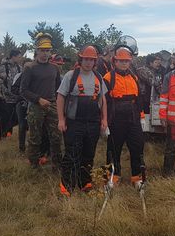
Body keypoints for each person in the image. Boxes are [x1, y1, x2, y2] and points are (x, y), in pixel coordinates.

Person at [57, 46, 108, 196]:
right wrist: (61, 119)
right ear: (81, 59)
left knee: (89, 153)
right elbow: (60, 97)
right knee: (72, 153)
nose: (88, 62)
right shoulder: (70, 76)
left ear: (95, 61)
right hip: (74, 122)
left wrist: (104, 119)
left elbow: (103, 100)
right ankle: (66, 185)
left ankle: (84, 182)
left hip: (93, 122)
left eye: (91, 60)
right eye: (86, 59)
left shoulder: (98, 77)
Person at [102, 47, 145, 185]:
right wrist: (105, 121)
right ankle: (113, 175)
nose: (124, 63)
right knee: (114, 148)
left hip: (133, 117)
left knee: (137, 146)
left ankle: (137, 176)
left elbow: (139, 99)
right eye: (121, 61)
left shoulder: (134, 77)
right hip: (116, 118)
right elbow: (104, 102)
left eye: (126, 61)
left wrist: (141, 116)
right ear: (115, 61)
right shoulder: (108, 78)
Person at [20, 33, 62, 169]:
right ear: (37, 51)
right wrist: (38, 99)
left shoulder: (55, 68)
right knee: (35, 137)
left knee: (56, 137)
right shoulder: (29, 67)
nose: (45, 53)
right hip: (36, 107)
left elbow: (59, 89)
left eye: (47, 50)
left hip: (52, 106)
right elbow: (23, 90)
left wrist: (58, 104)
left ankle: (57, 165)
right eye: (42, 50)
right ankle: (33, 164)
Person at [0, 49, 23, 139]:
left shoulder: (20, 68)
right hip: (6, 98)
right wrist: (6, 92)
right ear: (13, 56)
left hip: (17, 97)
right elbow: (0, 82)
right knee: (5, 116)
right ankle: (1, 134)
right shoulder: (3, 67)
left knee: (15, 117)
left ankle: (9, 133)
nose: (20, 59)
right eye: (19, 57)